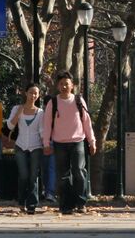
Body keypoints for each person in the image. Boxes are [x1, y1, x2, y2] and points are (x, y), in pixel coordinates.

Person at [42, 71, 96, 215]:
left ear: (72, 85)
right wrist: (46, 143)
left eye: (67, 83)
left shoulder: (78, 100)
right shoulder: (52, 103)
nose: (64, 86)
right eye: (61, 84)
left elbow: (87, 122)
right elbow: (47, 124)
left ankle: (80, 202)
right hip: (59, 143)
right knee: (63, 176)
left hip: (78, 141)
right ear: (57, 86)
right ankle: (66, 204)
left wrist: (92, 141)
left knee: (79, 171)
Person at [7, 82, 46, 214]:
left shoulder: (40, 112)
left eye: (36, 93)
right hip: (21, 145)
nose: (33, 95)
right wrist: (19, 112)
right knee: (23, 175)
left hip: (36, 147)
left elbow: (42, 130)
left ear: (38, 95)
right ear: (26, 93)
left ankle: (32, 204)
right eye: (31, 92)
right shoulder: (17, 108)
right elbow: (10, 126)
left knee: (33, 176)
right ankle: (21, 201)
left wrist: (46, 145)